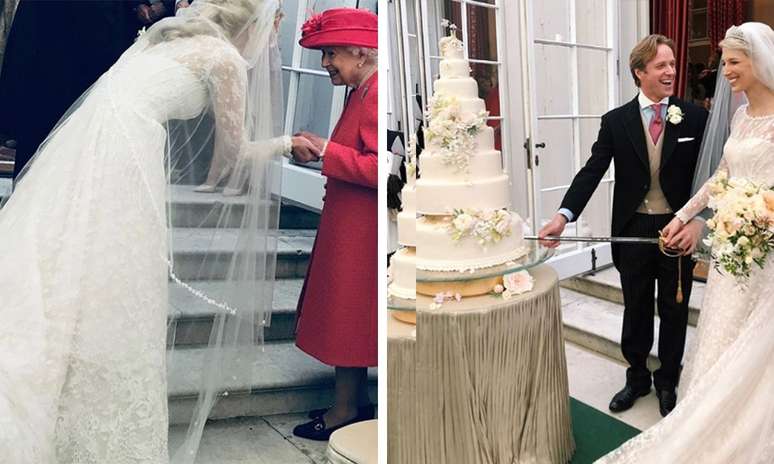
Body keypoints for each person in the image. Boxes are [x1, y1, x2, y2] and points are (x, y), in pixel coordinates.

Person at [0, 1, 290, 462]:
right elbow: (233, 153)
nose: (274, 37)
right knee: (117, 285)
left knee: (67, 265)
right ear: (252, 25)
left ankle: (61, 394)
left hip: (88, 140)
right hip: (127, 153)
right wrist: (288, 143)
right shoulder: (225, 59)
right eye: (273, 25)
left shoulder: (167, 37)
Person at [597, 22, 774, 463]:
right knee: (710, 330)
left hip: (760, 249)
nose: (724, 70)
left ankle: (689, 394)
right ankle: (662, 388)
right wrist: (684, 216)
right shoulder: (737, 116)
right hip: (725, 250)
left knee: (744, 341)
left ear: (759, 61)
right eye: (725, 62)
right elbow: (722, 178)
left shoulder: (704, 116)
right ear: (639, 72)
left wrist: (740, 220)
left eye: (732, 62)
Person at [539, 34, 708, 417]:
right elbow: (592, 171)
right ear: (640, 72)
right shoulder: (615, 122)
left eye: (672, 64)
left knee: (674, 307)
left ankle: (667, 380)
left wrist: (697, 220)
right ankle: (636, 378)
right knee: (635, 307)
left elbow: (708, 175)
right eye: (661, 65)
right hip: (632, 230)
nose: (671, 71)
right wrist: (563, 215)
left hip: (677, 231)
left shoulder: (695, 117)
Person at [289, 8, 378, 441]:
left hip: (361, 230)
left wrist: (325, 150)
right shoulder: (361, 89)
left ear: (360, 54)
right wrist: (318, 150)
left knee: (348, 313)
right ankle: (355, 403)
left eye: (331, 53)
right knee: (349, 313)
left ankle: (345, 410)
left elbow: (384, 169)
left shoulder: (377, 93)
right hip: (347, 221)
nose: (325, 63)